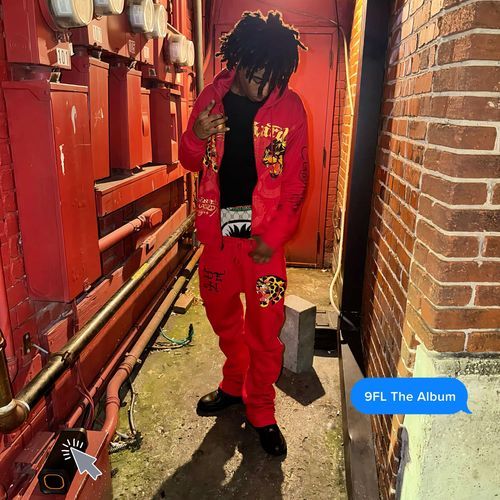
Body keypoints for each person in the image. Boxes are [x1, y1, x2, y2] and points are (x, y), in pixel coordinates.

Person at [179, 10, 308, 457]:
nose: (266, 87)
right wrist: (196, 136)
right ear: (240, 62)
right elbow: (189, 161)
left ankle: (262, 410)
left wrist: (274, 237)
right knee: (223, 319)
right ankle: (234, 385)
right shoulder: (211, 99)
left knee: (265, 330)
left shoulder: (291, 109)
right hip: (218, 238)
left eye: (275, 78)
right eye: (258, 76)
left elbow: (296, 185)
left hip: (263, 244)